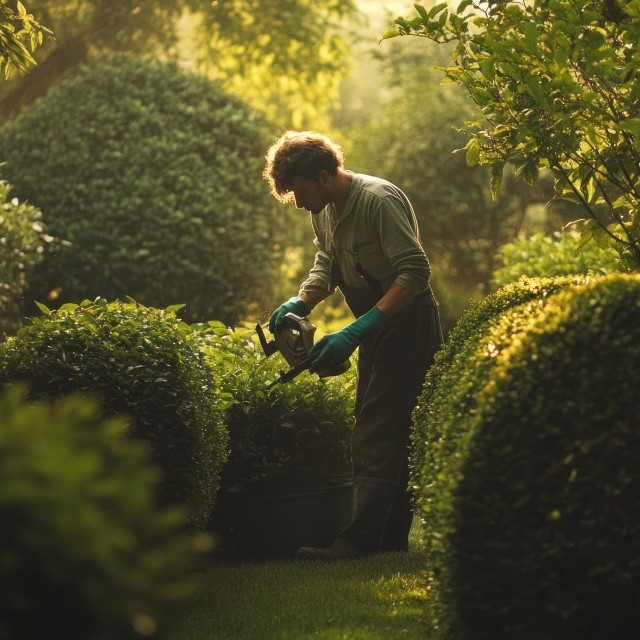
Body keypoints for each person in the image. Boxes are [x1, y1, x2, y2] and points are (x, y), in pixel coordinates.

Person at [264, 131, 443, 561]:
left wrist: (355, 332)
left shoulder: (377, 200)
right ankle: (390, 538)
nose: (297, 201)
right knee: (381, 423)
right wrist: (301, 300)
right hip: (376, 323)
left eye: (300, 191)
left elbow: (416, 272)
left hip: (409, 322)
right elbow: (326, 261)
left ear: (326, 175)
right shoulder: (323, 209)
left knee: (377, 428)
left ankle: (358, 542)